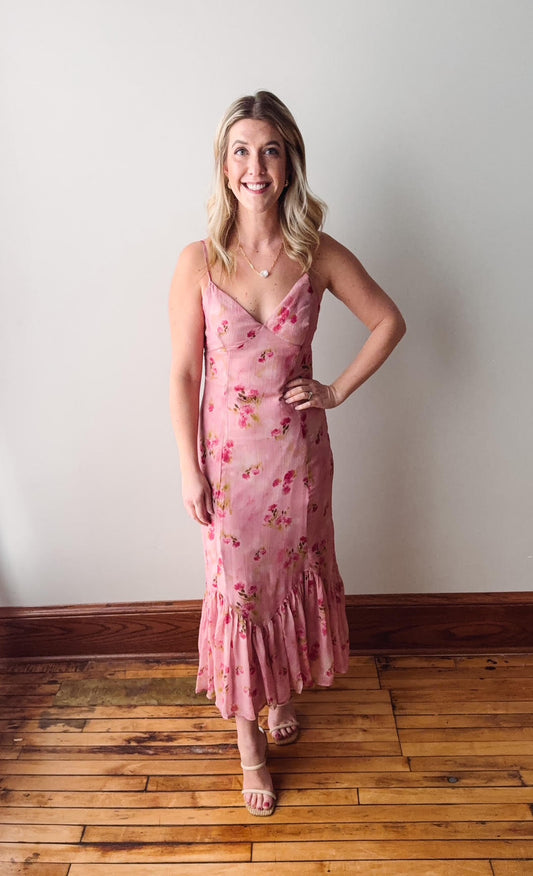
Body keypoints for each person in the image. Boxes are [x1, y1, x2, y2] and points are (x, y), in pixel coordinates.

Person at [169, 90, 406, 817]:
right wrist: (188, 466)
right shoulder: (199, 261)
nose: (254, 166)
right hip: (229, 470)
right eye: (240, 150)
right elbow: (182, 373)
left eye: (269, 149)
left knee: (286, 590)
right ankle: (251, 750)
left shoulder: (317, 253)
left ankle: (276, 697)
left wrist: (334, 392)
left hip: (300, 463)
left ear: (289, 160)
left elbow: (388, 321)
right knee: (240, 600)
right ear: (223, 165)